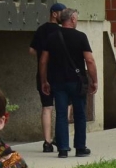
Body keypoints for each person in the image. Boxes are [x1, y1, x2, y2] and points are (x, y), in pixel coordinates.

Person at [39, 8, 98, 159]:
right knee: (79, 114)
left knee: (61, 115)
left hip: (57, 82)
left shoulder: (51, 37)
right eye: (76, 18)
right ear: (72, 19)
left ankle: (63, 149)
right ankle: (80, 147)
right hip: (76, 82)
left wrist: (44, 80)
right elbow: (89, 60)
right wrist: (94, 80)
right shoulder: (80, 37)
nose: (76, 20)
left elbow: (43, 61)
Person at [29, 3, 65, 153]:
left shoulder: (41, 30)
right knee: (64, 106)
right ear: (54, 14)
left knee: (47, 107)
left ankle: (47, 142)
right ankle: (59, 136)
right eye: (62, 12)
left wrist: (41, 55)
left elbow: (31, 50)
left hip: (42, 74)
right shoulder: (62, 32)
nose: (64, 15)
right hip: (60, 74)